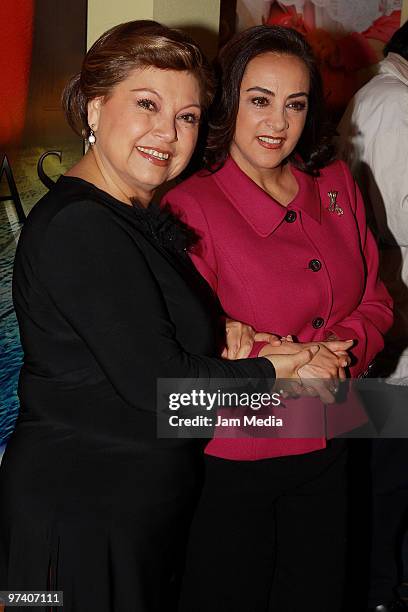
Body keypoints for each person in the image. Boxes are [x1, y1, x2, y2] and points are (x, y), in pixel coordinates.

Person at [0, 20, 335, 612]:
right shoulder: (83, 227)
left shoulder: (126, 217)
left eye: (186, 116)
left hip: (119, 518)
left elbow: (136, 335)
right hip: (75, 528)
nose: (169, 132)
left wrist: (230, 336)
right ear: (95, 108)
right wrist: (275, 379)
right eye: (148, 105)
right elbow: (164, 393)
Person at [163, 24, 394, 612]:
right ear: (227, 102)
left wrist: (336, 356)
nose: (278, 122)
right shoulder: (188, 204)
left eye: (295, 104)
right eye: (259, 100)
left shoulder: (337, 181)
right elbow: (183, 350)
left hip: (334, 433)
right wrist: (285, 366)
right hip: (235, 458)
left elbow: (376, 298)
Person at [338, 20, 408, 612]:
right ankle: (379, 591)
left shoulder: (381, 98)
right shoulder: (394, 104)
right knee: (388, 472)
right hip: (391, 318)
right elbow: (387, 232)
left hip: (387, 315)